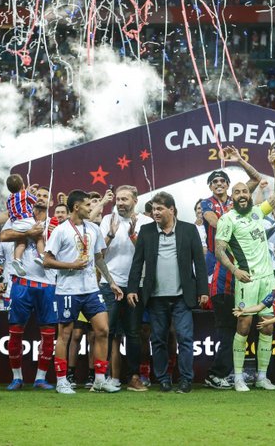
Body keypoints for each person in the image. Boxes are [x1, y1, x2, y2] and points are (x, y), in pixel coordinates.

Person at [215, 148, 275, 392]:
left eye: (245, 191)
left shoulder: (258, 211)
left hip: (268, 279)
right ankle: (238, 377)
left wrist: (274, 165)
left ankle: (262, 376)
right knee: (244, 325)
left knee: (267, 325)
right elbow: (220, 250)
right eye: (237, 192)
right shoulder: (228, 219)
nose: (242, 194)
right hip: (246, 279)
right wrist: (235, 271)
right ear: (232, 197)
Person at [127, 191, 209, 394]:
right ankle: (163, 379)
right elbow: (137, 263)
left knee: (185, 338)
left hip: (183, 296)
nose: (155, 212)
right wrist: (131, 289)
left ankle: (186, 380)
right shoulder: (146, 231)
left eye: (160, 209)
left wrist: (203, 290)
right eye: (154, 209)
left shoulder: (189, 230)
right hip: (155, 297)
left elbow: (199, 262)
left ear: (171, 210)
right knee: (158, 340)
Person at [44, 190, 123, 394]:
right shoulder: (61, 231)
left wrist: (111, 282)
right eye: (88, 205)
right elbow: (47, 260)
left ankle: (98, 380)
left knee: (103, 330)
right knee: (65, 335)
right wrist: (70, 264)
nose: (92, 208)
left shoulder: (93, 229)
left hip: (91, 289)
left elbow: (98, 258)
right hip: (68, 290)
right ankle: (61, 381)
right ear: (77, 207)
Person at [201, 147, 261, 390]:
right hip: (222, 274)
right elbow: (212, 220)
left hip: (245, 273)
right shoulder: (209, 204)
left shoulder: (239, 201)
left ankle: (238, 373)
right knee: (226, 329)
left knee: (245, 327)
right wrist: (233, 222)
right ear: (210, 187)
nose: (218, 184)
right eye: (214, 181)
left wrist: (240, 161)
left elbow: (256, 179)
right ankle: (217, 374)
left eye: (222, 181)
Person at [0, 186, 58, 391]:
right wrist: (28, 231)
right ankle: (17, 377)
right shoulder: (19, 219)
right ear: (32, 201)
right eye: (38, 196)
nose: (41, 199)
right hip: (22, 283)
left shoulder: (56, 223)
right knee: (15, 331)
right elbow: (3, 235)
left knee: (49, 332)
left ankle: (40, 378)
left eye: (45, 196)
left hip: (48, 283)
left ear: (50, 203)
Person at [99, 185, 153, 392]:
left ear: (135, 201)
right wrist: (110, 235)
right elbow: (98, 254)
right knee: (107, 331)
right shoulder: (107, 220)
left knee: (133, 333)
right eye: (118, 199)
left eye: (125, 199)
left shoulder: (146, 222)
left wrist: (133, 236)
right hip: (109, 284)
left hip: (135, 285)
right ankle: (102, 377)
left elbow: (149, 254)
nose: (120, 203)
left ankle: (133, 377)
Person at [5, 174, 45, 276]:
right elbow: (34, 201)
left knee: (21, 243)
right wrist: (31, 194)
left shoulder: (9, 198)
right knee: (39, 237)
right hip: (27, 220)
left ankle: (17, 260)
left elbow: (9, 212)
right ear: (23, 185)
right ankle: (41, 256)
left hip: (16, 224)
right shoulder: (24, 194)